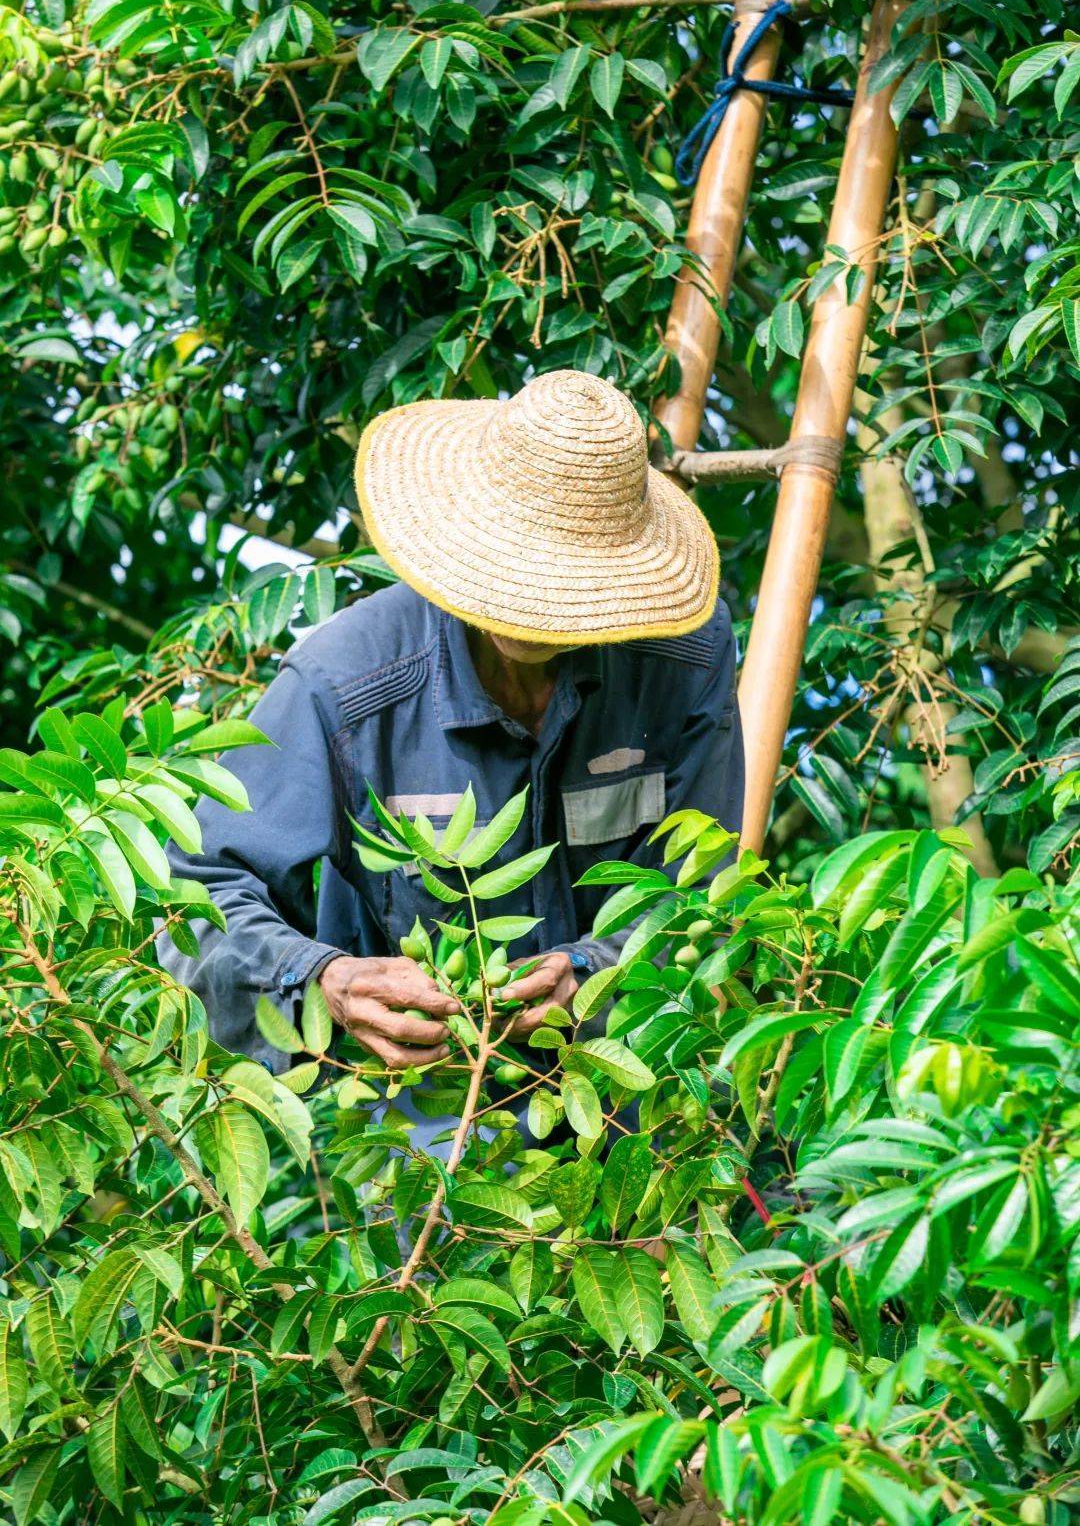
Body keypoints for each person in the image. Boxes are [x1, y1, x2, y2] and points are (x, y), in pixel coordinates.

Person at [159, 368, 744, 1079]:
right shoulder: (344, 682)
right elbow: (193, 903)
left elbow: (697, 889)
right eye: (515, 575)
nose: (531, 609)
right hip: (408, 1101)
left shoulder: (681, 655)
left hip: (628, 1079)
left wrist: (595, 968)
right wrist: (327, 983)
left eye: (564, 585)